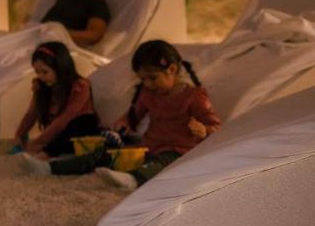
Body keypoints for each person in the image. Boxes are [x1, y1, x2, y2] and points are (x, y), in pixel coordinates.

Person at [24, 40, 222, 189]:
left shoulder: (194, 96)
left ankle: (133, 179)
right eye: (143, 79)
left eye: (153, 78)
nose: (147, 84)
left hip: (178, 151)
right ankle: (51, 168)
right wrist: (123, 123)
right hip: (148, 146)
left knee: (161, 164)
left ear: (172, 69)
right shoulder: (148, 93)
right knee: (105, 153)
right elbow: (132, 116)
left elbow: (216, 126)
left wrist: (204, 129)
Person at [12, 41, 102, 160]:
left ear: (60, 68)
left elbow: (64, 119)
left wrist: (37, 143)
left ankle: (47, 153)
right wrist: (19, 134)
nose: (40, 76)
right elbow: (31, 113)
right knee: (56, 136)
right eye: (37, 72)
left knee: (82, 123)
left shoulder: (80, 87)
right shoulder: (42, 86)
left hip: (78, 132)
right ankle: (47, 148)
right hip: (57, 134)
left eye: (45, 72)